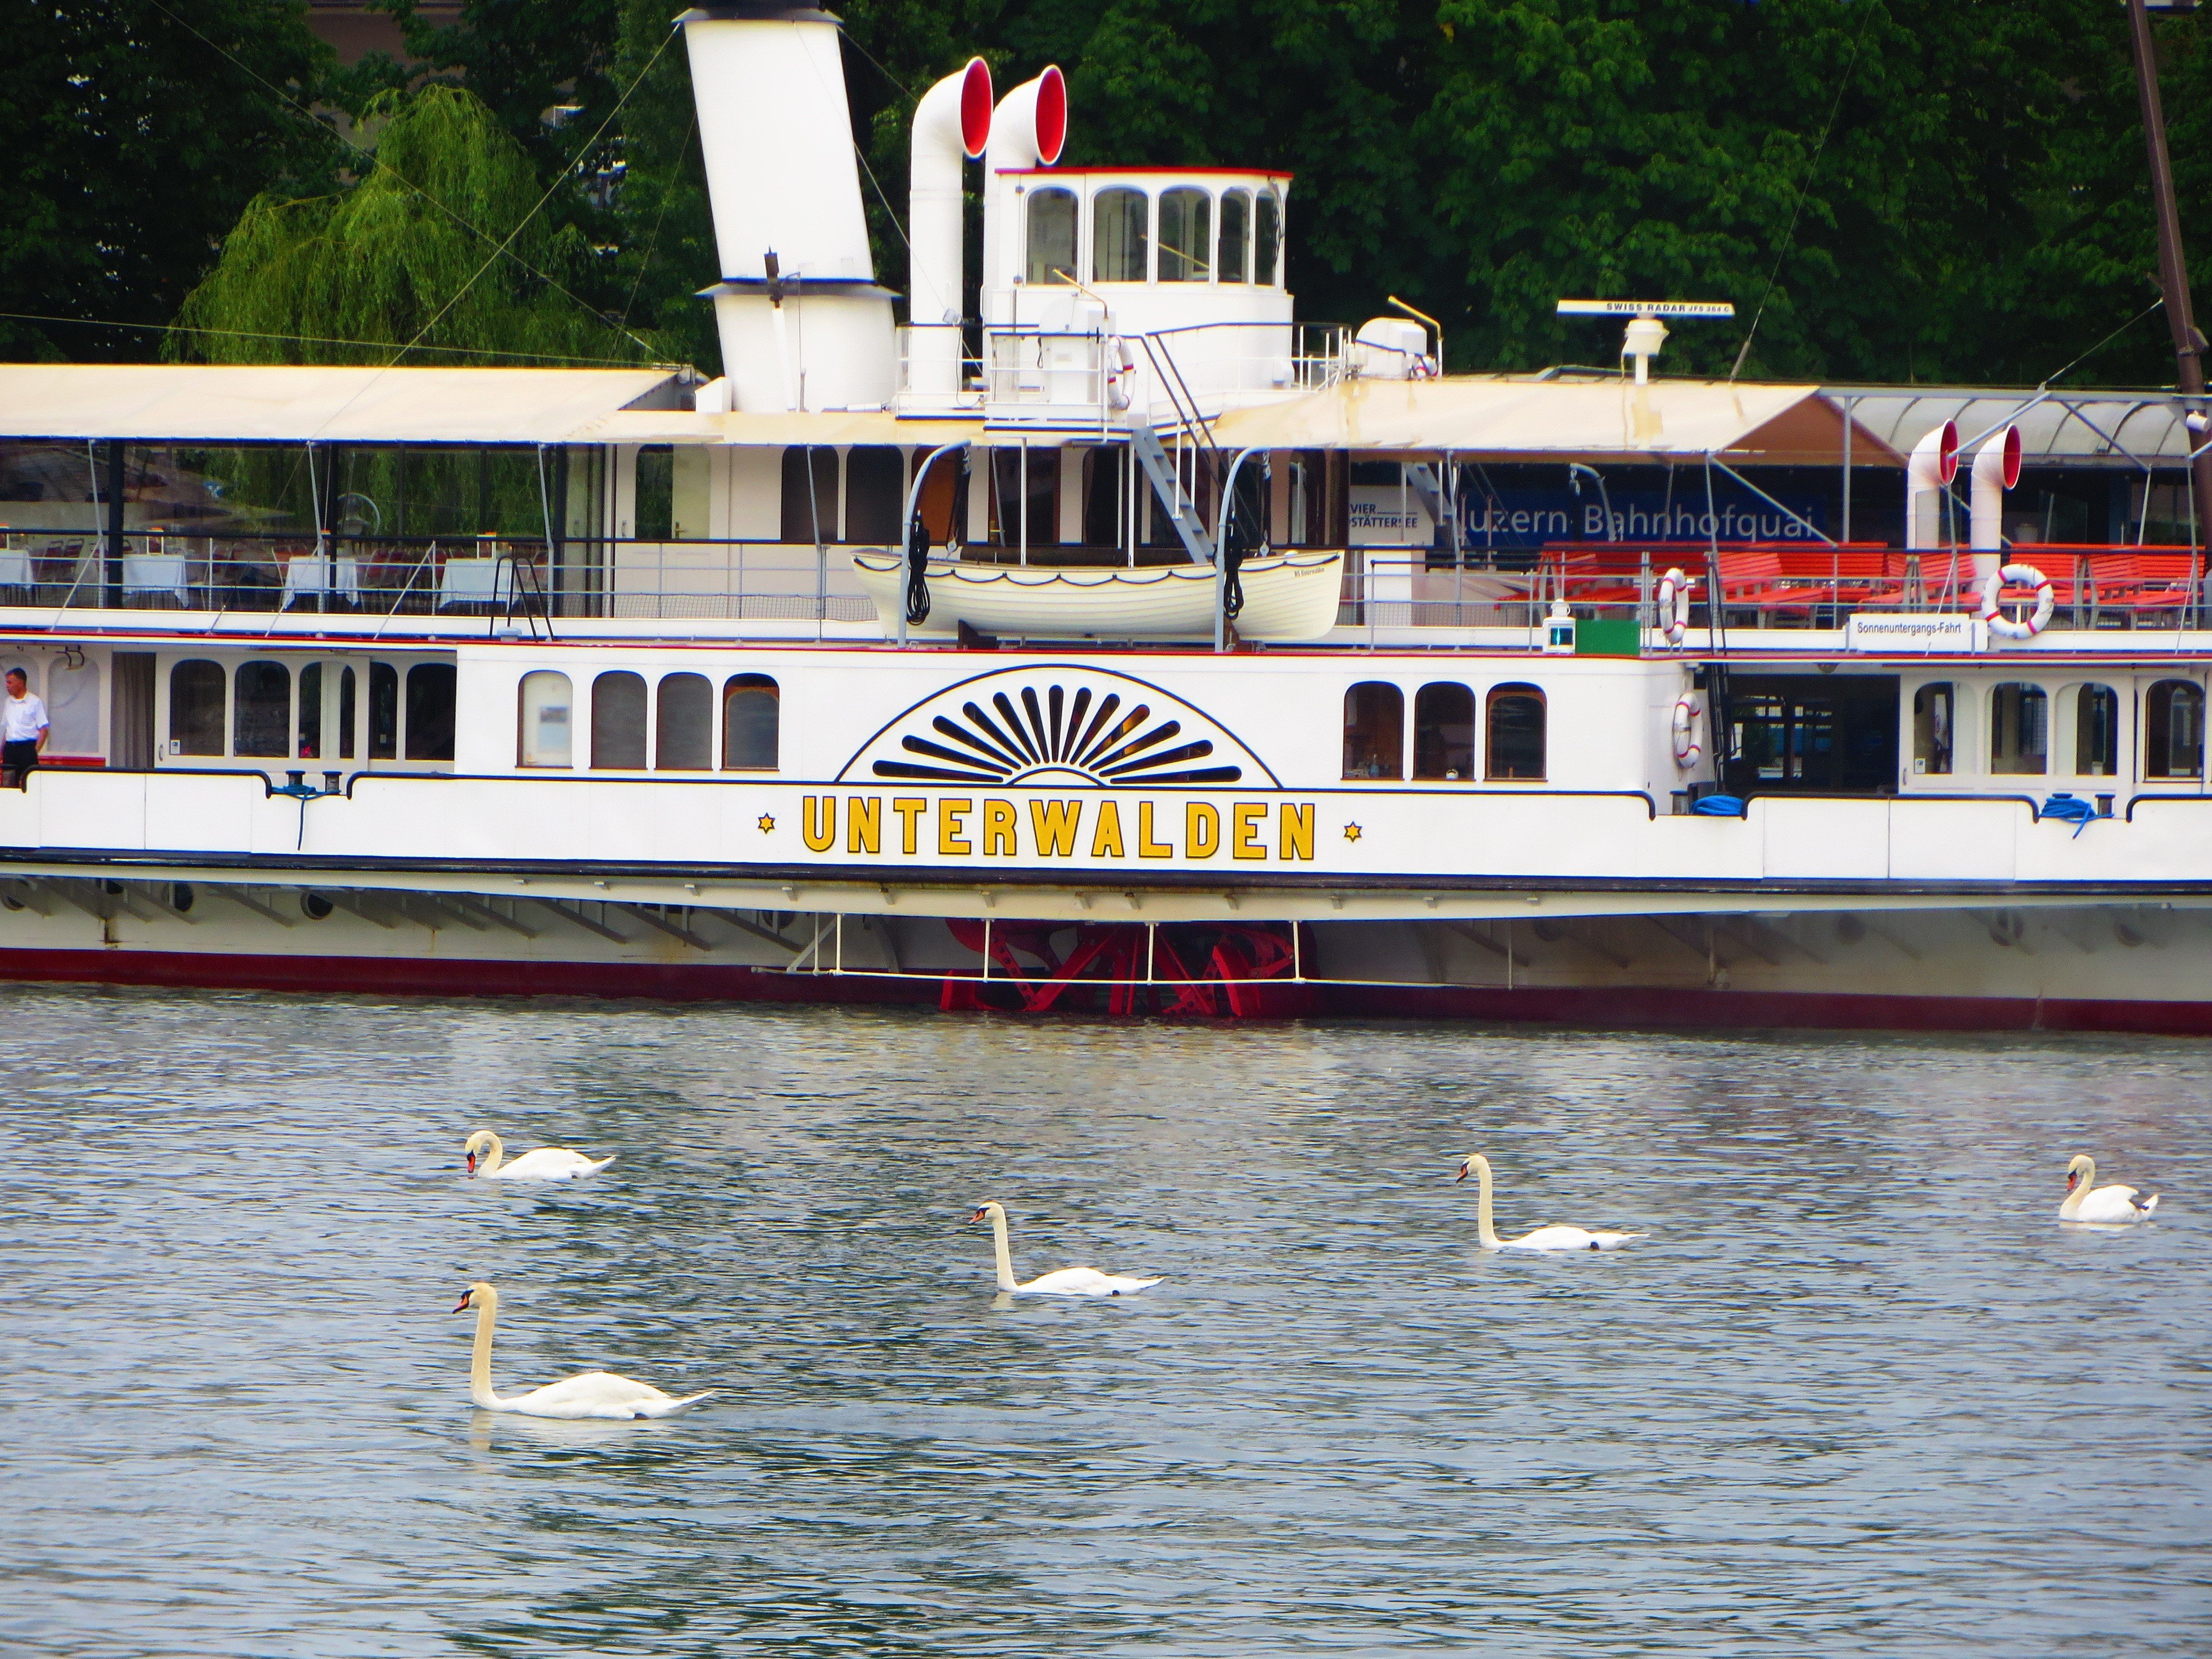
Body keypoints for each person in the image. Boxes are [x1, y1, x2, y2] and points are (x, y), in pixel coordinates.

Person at [3, 667, 49, 788]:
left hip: (27, 748)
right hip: (10, 748)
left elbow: (44, 730)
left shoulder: (35, 702)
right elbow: (6, 729)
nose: (7, 686)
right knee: (8, 784)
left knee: (29, 784)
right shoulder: (8, 702)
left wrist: (34, 752)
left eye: (10, 682)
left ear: (21, 683)